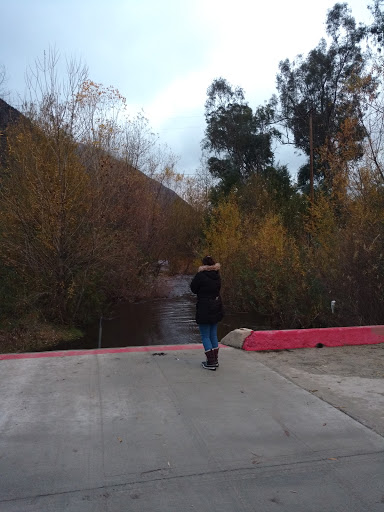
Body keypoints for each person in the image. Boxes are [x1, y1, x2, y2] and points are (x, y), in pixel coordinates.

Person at [190, 256, 224, 370]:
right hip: (216, 306)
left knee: (205, 335)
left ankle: (211, 362)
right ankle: (215, 360)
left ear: (203, 264)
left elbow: (193, 289)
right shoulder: (217, 275)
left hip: (204, 307)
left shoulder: (200, 276)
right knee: (213, 334)